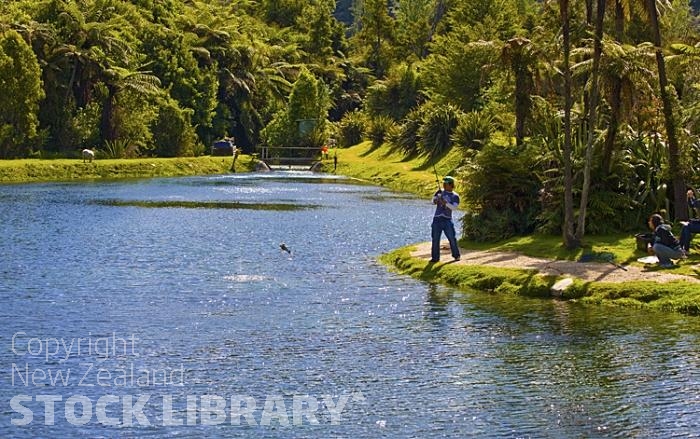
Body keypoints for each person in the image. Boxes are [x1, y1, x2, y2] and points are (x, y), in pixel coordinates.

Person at [430, 176, 461, 263]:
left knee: (452, 238)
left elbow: (454, 207)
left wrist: (445, 202)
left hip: (447, 220)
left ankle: (456, 255)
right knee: (435, 239)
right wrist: (436, 199)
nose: (443, 185)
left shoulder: (455, 196)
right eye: (443, 183)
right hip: (437, 219)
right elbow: (432, 202)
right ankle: (435, 258)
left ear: (451, 185)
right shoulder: (439, 192)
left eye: (446, 183)